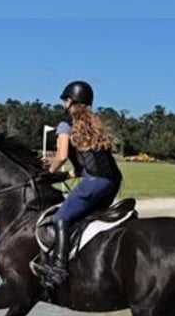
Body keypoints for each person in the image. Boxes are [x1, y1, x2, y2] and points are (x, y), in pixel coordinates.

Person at [34, 80, 123, 293]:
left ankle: (59, 269)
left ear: (69, 101)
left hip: (93, 184)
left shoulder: (66, 124)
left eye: (65, 100)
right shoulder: (93, 125)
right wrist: (68, 174)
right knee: (85, 219)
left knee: (61, 218)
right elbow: (89, 163)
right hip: (112, 183)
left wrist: (50, 171)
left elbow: (62, 156)